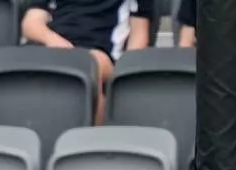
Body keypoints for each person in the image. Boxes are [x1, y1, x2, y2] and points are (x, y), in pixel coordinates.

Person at [21, 0, 153, 124]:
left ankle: (91, 142)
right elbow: (31, 23)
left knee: (89, 69)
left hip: (101, 53)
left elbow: (139, 31)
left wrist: (125, 70)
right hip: (52, 47)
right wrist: (52, 40)